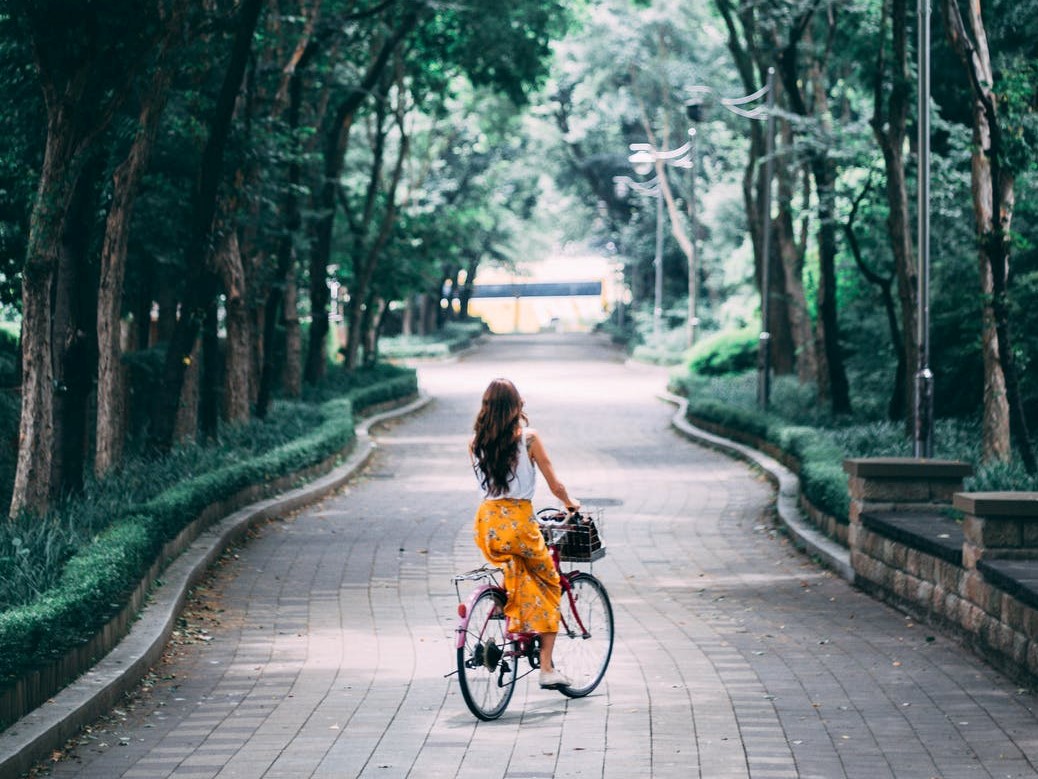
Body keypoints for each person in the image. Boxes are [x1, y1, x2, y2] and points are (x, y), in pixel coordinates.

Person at [469, 378, 580, 690]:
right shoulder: (528, 439)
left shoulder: (475, 442)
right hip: (518, 521)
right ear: (517, 406)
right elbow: (554, 485)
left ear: (486, 407)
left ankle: (506, 607)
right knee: (550, 583)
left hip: (487, 522)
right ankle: (546, 668)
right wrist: (570, 504)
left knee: (514, 566)